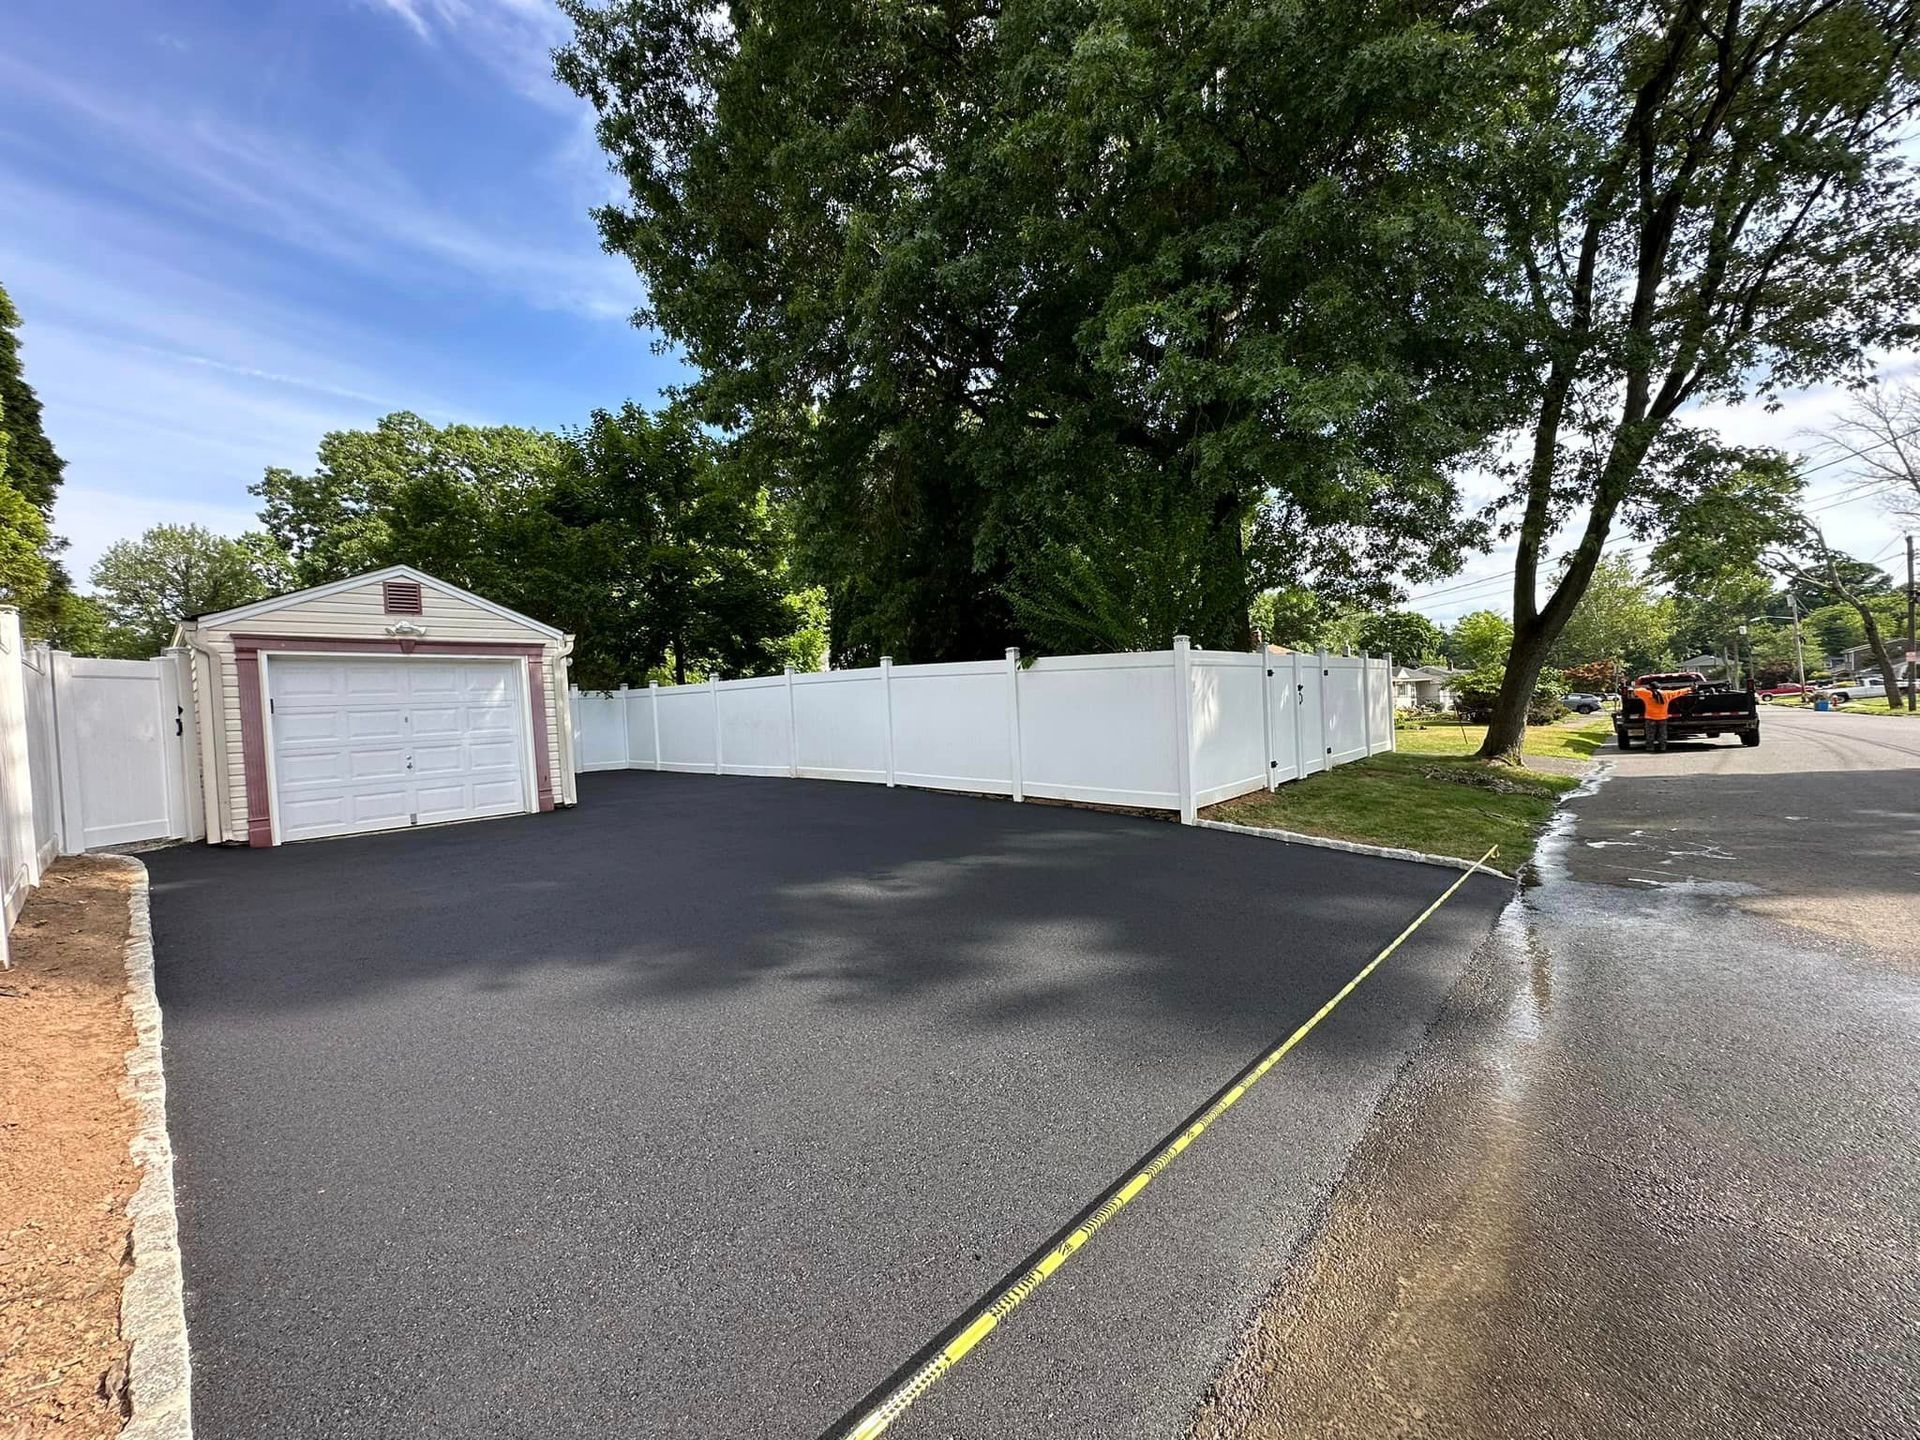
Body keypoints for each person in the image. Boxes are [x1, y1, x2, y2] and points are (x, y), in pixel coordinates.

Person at [1630, 681, 1694, 751]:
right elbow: (1678, 692)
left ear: (1650, 688)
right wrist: (1689, 688)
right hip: (1662, 718)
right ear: (1660, 687)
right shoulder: (1666, 694)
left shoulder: (1647, 694)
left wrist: (1645, 688)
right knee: (1663, 734)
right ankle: (1662, 747)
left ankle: (1650, 747)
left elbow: (1636, 690)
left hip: (1650, 718)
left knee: (1650, 734)